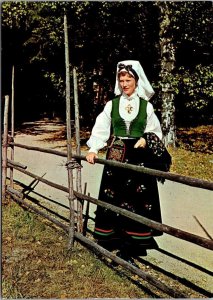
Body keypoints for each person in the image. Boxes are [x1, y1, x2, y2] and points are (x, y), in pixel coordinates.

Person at [86, 60, 171, 262]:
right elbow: (101, 128)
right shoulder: (112, 105)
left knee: (136, 200)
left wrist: (146, 138)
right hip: (116, 157)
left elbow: (155, 132)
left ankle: (131, 247)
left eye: (128, 80)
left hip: (139, 160)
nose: (124, 84)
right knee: (113, 197)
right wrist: (93, 149)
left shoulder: (146, 107)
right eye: (121, 80)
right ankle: (112, 242)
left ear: (136, 80)